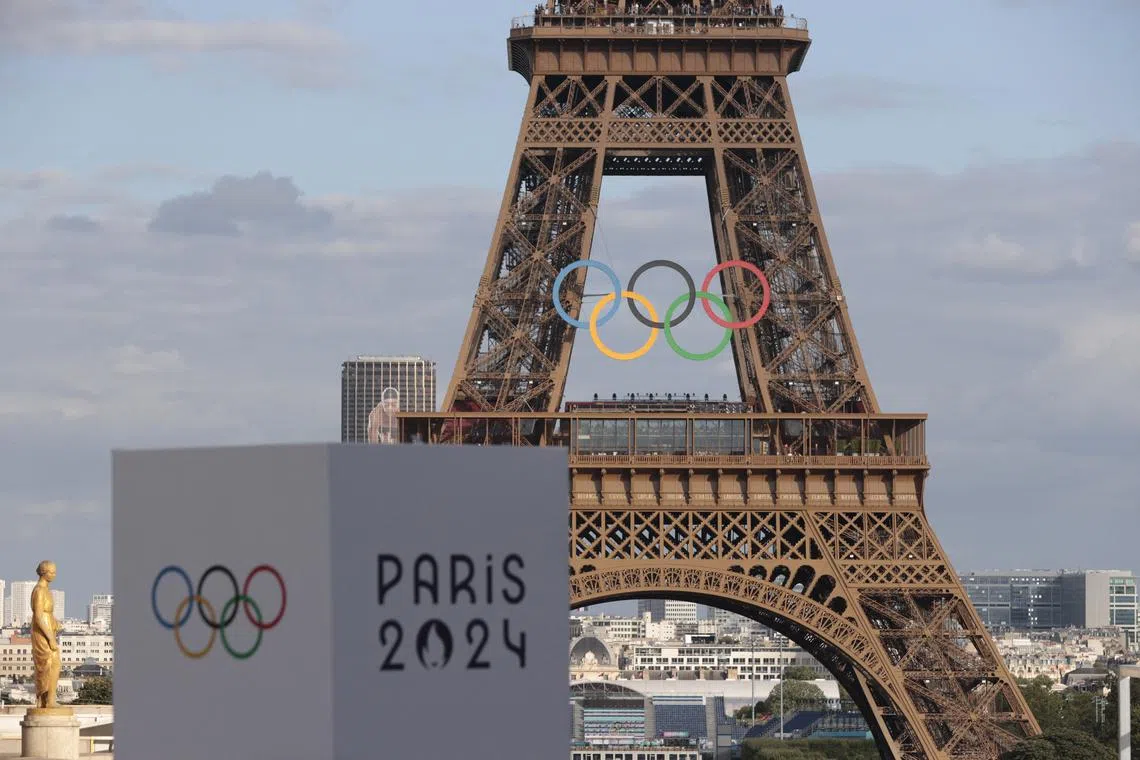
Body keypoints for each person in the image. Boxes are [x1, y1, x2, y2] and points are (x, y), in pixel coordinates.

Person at [31, 560, 63, 709]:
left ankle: (49, 699)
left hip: (48, 627)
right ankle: (47, 701)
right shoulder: (39, 590)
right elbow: (38, 616)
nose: (54, 575)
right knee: (48, 664)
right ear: (44, 572)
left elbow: (47, 613)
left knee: (55, 663)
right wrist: (50, 638)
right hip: (42, 632)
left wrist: (55, 622)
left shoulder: (47, 591)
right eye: (52, 572)